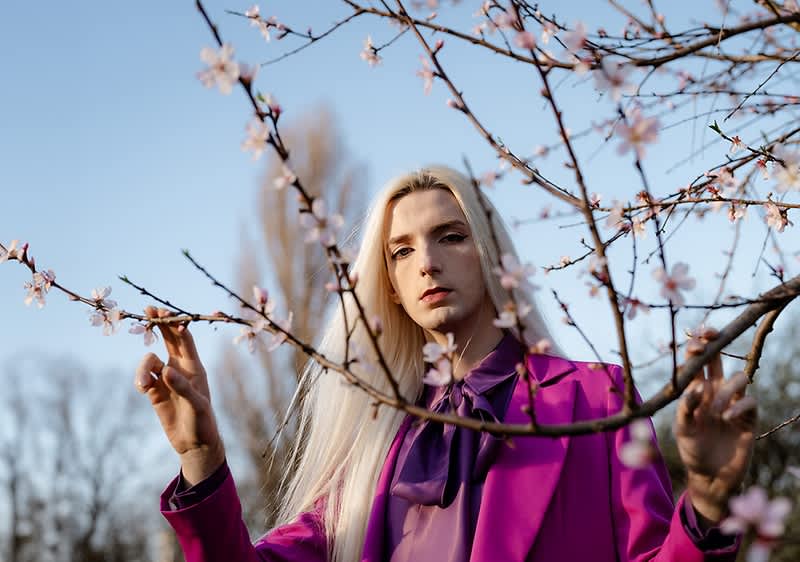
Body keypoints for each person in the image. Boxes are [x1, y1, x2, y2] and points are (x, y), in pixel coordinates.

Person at [135, 166, 756, 561]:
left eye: (450, 236)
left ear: (491, 254)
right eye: (401, 251)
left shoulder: (596, 402)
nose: (426, 262)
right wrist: (202, 463)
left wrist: (705, 503)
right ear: (391, 285)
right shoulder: (369, 444)